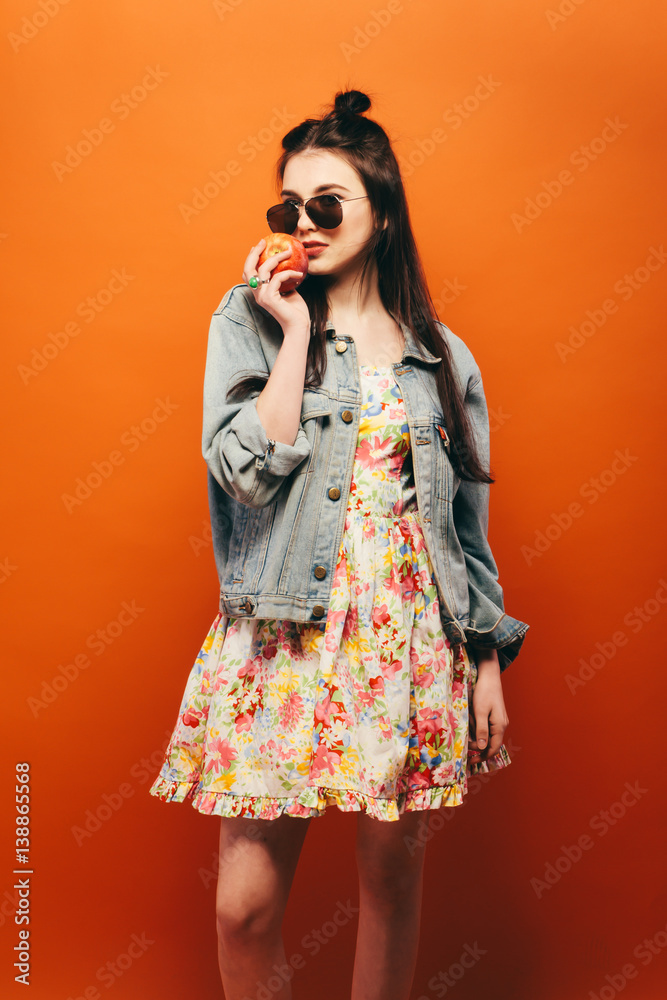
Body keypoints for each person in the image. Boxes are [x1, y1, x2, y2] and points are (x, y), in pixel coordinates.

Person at [149, 88, 529, 1000]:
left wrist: (485, 662)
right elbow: (243, 471)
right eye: (290, 208)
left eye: (329, 204)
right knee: (241, 907)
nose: (305, 226)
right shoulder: (247, 319)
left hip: (406, 637)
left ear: (383, 212)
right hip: (283, 631)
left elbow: (463, 531)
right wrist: (291, 336)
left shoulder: (444, 358)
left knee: (391, 888)